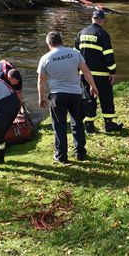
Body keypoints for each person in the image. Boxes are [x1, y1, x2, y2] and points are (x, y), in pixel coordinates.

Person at [37, 32, 99, 163]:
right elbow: (86, 71)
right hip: (75, 94)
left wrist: (41, 97)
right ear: (61, 40)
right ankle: (80, 153)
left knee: (59, 126)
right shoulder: (75, 53)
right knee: (78, 123)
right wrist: (93, 86)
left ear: (49, 44)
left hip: (57, 95)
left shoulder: (45, 58)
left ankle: (62, 156)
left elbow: (41, 81)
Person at [78, 9, 123, 133]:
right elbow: (108, 56)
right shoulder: (103, 34)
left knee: (88, 97)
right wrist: (112, 71)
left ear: (92, 19)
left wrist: (78, 70)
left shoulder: (81, 33)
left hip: (85, 74)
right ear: (102, 20)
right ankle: (109, 124)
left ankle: (89, 125)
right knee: (106, 98)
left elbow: (76, 54)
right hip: (101, 74)